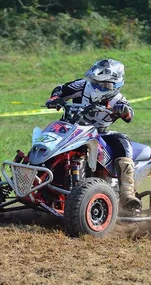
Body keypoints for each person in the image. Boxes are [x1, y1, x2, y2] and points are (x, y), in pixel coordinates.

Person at [45, 59, 141, 211]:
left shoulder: (119, 100)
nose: (99, 87)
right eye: (96, 82)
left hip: (98, 134)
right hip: (69, 128)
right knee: (45, 136)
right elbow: (61, 89)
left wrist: (123, 111)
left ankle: (127, 193)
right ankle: (29, 172)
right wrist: (55, 98)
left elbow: (130, 115)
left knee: (122, 141)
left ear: (116, 85)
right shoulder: (81, 85)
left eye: (105, 85)